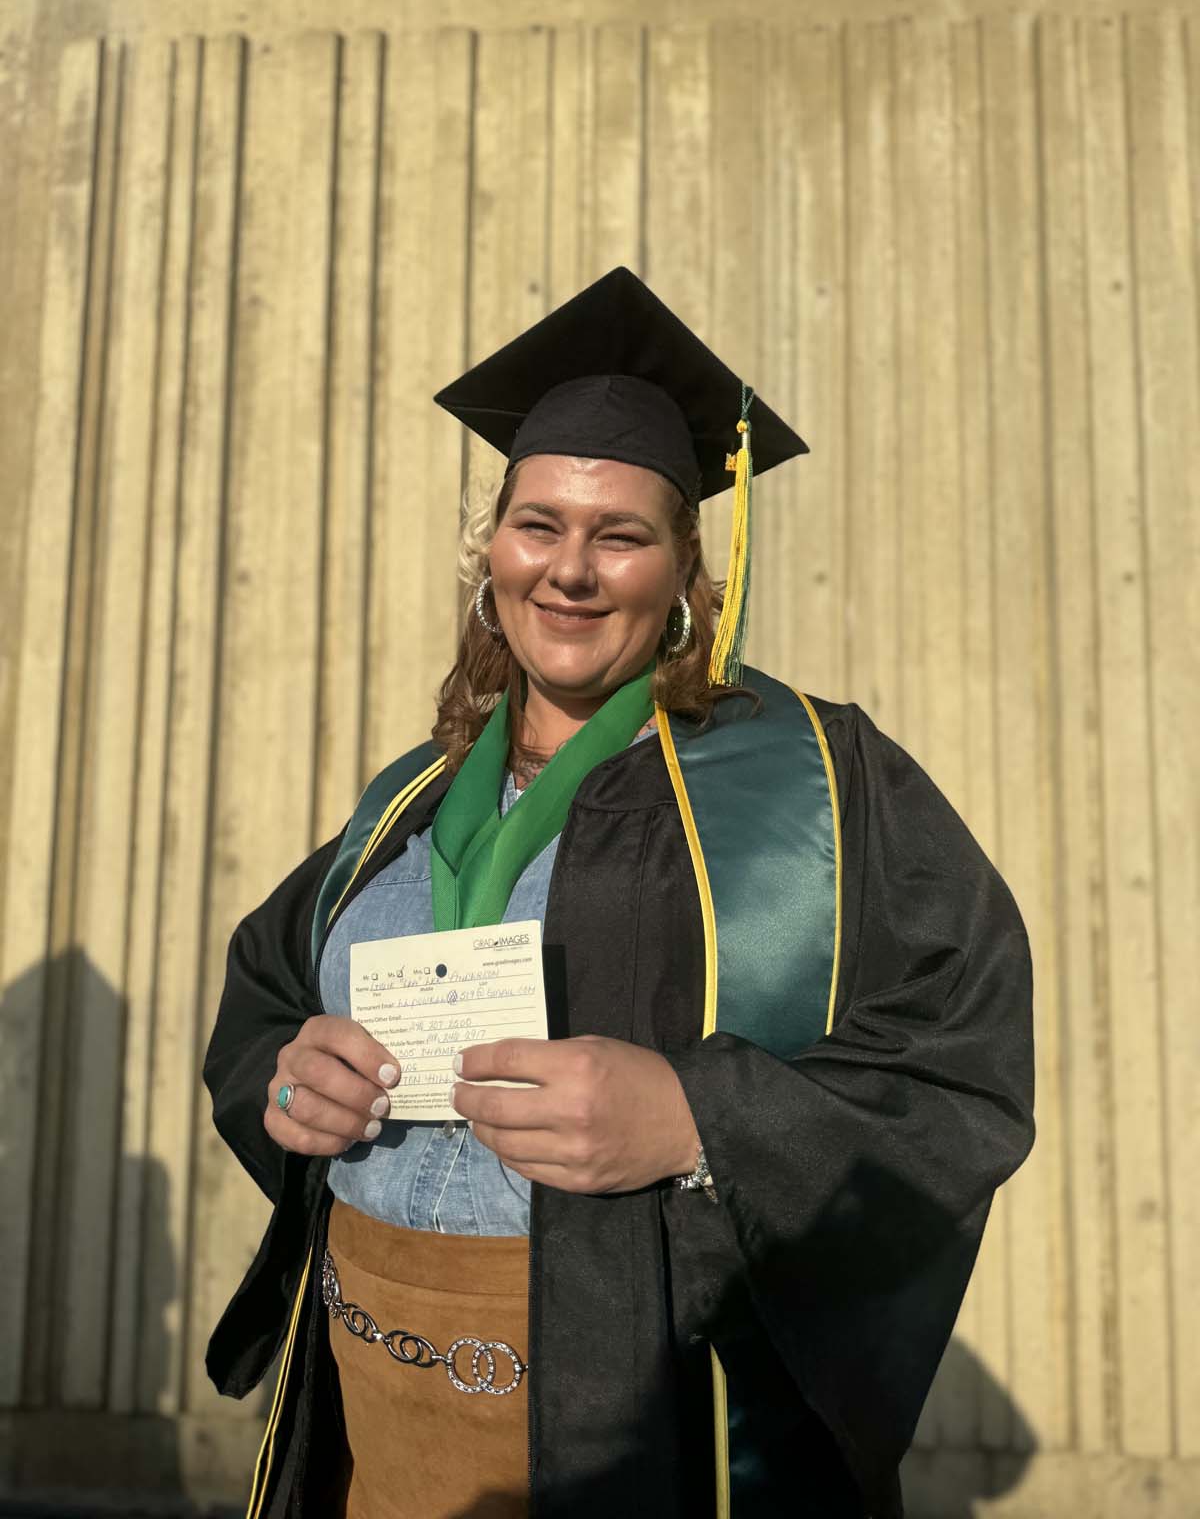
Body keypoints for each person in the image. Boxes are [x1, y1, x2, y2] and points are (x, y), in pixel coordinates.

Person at [203, 267, 1035, 1519]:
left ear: (689, 567)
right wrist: (287, 1075)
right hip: (369, 1420)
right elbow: (267, 989)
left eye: (622, 534)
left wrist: (699, 1118)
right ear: (492, 546)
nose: (571, 571)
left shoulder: (815, 778)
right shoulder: (410, 797)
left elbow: (962, 1064)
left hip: (629, 1429)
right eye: (539, 524)